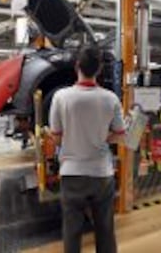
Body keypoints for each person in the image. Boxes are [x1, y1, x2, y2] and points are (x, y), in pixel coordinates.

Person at [49, 45, 126, 253]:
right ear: (99, 69)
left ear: (77, 67)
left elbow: (56, 138)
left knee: (72, 231)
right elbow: (121, 134)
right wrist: (102, 136)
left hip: (71, 174)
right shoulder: (111, 98)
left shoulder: (60, 97)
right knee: (105, 228)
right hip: (102, 173)